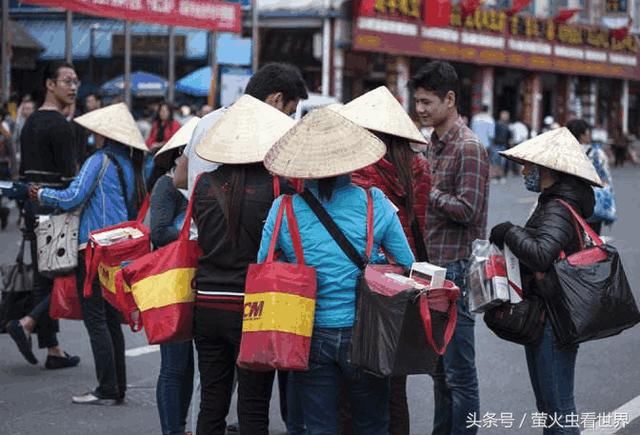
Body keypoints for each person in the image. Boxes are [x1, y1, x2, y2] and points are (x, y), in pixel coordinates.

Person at [258, 107, 414, 435]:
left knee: (319, 426)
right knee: (372, 423)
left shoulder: (283, 208)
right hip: (366, 331)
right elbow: (408, 263)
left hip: (310, 331)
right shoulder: (376, 203)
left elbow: (264, 266)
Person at [190, 95, 295, 435]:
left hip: (205, 303)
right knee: (253, 408)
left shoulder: (203, 185)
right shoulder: (277, 186)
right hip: (254, 307)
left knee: (212, 402)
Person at [33, 102, 148, 404]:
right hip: (118, 250)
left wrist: (42, 194)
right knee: (111, 319)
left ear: (104, 134)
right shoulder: (130, 163)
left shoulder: (100, 160)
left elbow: (73, 197)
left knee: (96, 319)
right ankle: (117, 386)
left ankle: (107, 387)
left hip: (94, 249)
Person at [489, 127, 601, 435]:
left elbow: (540, 254)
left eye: (529, 165)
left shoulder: (557, 208)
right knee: (550, 410)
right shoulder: (554, 201)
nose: (524, 171)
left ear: (548, 169)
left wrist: (508, 231)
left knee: (558, 410)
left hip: (553, 319)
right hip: (550, 313)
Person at [340, 86, 430, 435]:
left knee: (355, 382)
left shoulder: (360, 170)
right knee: (395, 383)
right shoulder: (418, 166)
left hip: (368, 280)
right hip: (404, 277)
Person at [412, 60, 489, 435]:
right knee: (438, 372)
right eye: (418, 102)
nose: (421, 109)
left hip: (457, 270)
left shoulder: (468, 147)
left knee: (460, 374)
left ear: (450, 99)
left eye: (427, 102)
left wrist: (430, 191)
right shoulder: (432, 144)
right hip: (432, 271)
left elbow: (469, 209)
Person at [7, 61, 80, 369]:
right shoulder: (62, 127)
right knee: (67, 277)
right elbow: (68, 179)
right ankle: (25, 322)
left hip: (31, 208)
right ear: (50, 85)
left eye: (76, 81)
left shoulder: (31, 123)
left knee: (42, 279)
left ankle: (52, 349)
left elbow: (23, 174)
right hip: (55, 210)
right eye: (67, 81)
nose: (74, 86)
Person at [150, 118, 199, 434]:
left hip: (191, 280)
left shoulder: (196, 187)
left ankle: (179, 425)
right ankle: (172, 429)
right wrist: (192, 234)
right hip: (169, 281)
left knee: (187, 363)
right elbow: (157, 231)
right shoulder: (166, 186)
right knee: (174, 364)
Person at [566, 119, 614, 235]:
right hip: (592, 204)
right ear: (583, 134)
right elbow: (606, 179)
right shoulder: (597, 154)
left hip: (568, 202)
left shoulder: (564, 153)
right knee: (592, 238)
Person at [493, 110, 512, 183]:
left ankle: (501, 176)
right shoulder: (497, 124)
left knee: (502, 162)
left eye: (506, 116)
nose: (506, 117)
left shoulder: (508, 125)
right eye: (504, 115)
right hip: (497, 145)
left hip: (504, 145)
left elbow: (509, 136)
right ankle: (495, 177)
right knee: (495, 162)